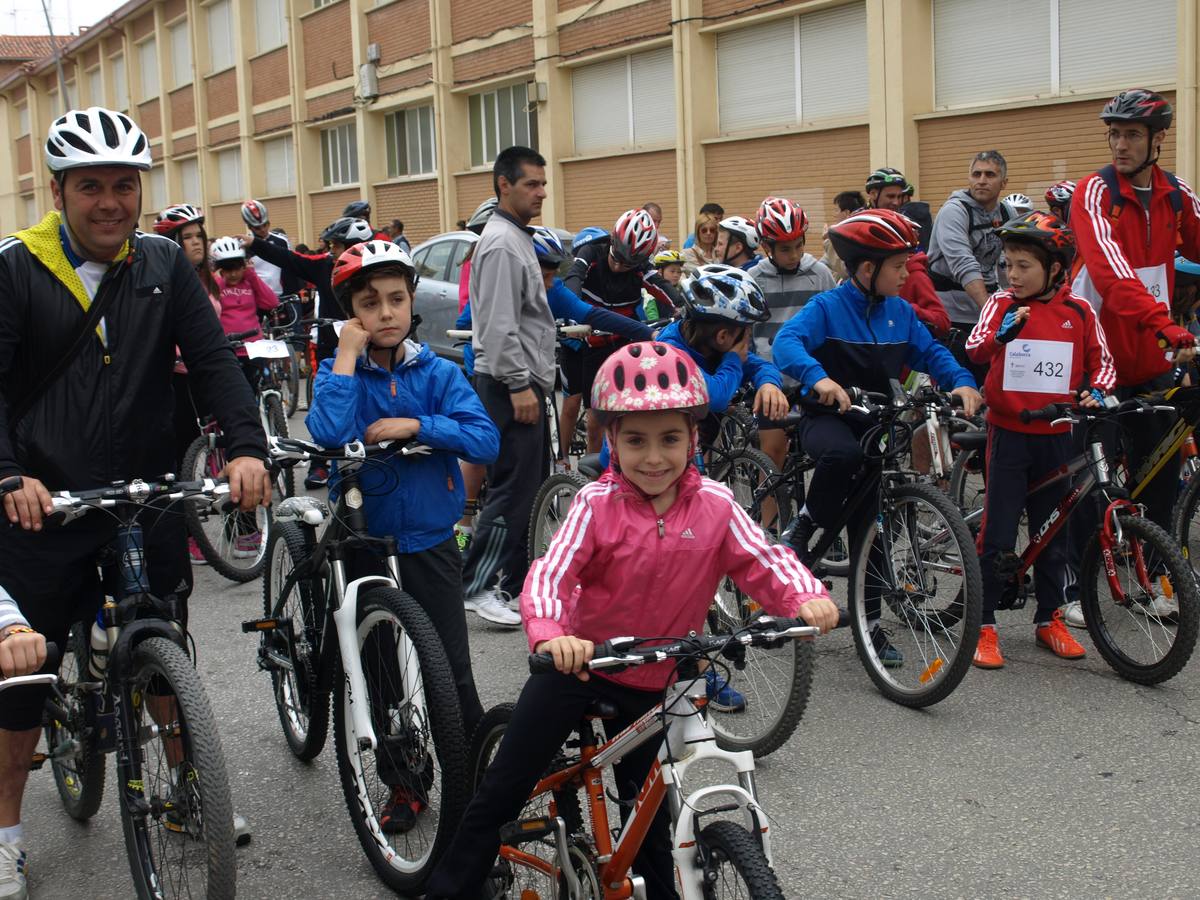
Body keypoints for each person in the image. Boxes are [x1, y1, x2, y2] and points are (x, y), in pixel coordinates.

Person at [423, 341, 838, 900]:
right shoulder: (596, 505)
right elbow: (552, 574)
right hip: (581, 666)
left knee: (653, 824)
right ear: (611, 441)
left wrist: (804, 595)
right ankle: (451, 886)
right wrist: (554, 635)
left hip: (658, 676)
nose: (654, 457)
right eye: (635, 440)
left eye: (670, 439)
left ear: (694, 438)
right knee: (503, 789)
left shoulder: (715, 505)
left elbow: (763, 557)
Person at [0, 107, 270, 898]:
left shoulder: (160, 262)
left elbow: (213, 358)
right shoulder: (16, 269)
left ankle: (190, 793)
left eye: (125, 184)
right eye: (92, 186)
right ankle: (6, 833)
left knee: (163, 642)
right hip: (44, 504)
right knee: (24, 679)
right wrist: (10, 475)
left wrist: (246, 445)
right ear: (59, 191)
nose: (111, 201)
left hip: (144, 492)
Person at [306, 240, 496, 810]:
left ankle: (475, 776)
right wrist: (343, 357)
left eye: (396, 299)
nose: (385, 313)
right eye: (369, 304)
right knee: (381, 669)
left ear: (412, 302)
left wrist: (418, 425)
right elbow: (328, 433)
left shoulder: (437, 372)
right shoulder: (340, 373)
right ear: (352, 316)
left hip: (430, 543)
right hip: (363, 542)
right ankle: (404, 782)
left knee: (451, 669)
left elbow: (485, 438)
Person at [772, 209, 981, 627]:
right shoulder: (827, 306)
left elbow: (932, 352)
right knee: (842, 456)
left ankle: (871, 630)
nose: (907, 274)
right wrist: (820, 379)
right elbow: (786, 342)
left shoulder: (900, 312)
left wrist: (961, 381)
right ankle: (805, 524)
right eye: (899, 266)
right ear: (868, 269)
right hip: (827, 419)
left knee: (874, 531)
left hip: (877, 423)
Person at [1062, 88, 1200, 627]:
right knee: (1089, 477)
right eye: (1114, 134)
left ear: (1157, 140)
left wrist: (1168, 331)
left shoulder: (1175, 193)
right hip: (1095, 356)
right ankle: (1073, 584)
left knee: (1159, 479)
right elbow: (1114, 277)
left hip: (1153, 355)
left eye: (1132, 135)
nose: (1120, 145)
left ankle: (1158, 581)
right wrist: (1170, 326)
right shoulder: (1093, 193)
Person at [965, 212, 1115, 668]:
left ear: (1054, 268)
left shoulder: (1079, 310)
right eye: (1008, 264)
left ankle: (1050, 617)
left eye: (1023, 265)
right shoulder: (1002, 304)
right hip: (1009, 434)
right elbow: (975, 348)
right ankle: (984, 624)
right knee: (999, 530)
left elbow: (1103, 364)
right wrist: (1002, 335)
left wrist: (1097, 390)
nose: (1012, 274)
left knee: (1055, 529)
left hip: (1058, 434)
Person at [454, 228, 652, 547]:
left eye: (551, 275)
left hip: (534, 378)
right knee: (483, 447)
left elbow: (589, 312)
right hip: (491, 375)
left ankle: (527, 519)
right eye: (543, 275)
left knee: (531, 459)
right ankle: (463, 526)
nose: (549, 282)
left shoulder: (553, 290)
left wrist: (642, 331)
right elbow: (465, 325)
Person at [459, 146, 556, 623]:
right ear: (503, 185)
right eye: (531, 184)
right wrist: (519, 385)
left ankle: (520, 586)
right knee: (511, 492)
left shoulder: (517, 237)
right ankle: (476, 586)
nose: (541, 192)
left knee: (531, 491)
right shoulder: (499, 243)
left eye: (542, 183)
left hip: (524, 381)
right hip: (508, 385)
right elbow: (498, 327)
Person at [242, 215, 374, 487]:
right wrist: (255, 243)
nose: (330, 251)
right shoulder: (324, 266)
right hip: (330, 349)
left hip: (370, 348)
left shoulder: (374, 270)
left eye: (336, 246)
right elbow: (289, 259)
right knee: (326, 405)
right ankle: (320, 464)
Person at [562, 208, 681, 454]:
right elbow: (573, 278)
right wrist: (572, 316)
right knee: (590, 416)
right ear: (613, 240)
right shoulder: (592, 252)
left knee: (630, 410)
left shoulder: (640, 268)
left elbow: (662, 286)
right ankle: (572, 462)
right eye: (616, 257)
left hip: (621, 343)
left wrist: (682, 307)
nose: (618, 266)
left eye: (627, 264)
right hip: (589, 341)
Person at [927, 150, 1016, 384]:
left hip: (983, 311)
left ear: (1004, 182)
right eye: (976, 174)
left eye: (990, 174)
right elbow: (963, 263)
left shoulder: (1008, 213)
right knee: (957, 386)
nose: (982, 180)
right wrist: (991, 310)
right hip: (951, 314)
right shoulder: (954, 211)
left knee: (991, 383)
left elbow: (1014, 262)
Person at [152, 204, 222, 476]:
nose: (196, 243)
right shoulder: (163, 280)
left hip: (208, 367)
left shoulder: (207, 279)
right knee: (184, 438)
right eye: (187, 237)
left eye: (199, 236)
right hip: (178, 373)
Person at [748, 196, 836, 360]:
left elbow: (834, 324)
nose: (794, 255)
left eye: (798, 246)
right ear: (767, 247)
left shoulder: (820, 274)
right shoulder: (753, 279)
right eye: (785, 250)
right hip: (768, 375)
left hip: (813, 373)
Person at [209, 237, 279, 393]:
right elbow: (209, 308)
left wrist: (252, 276)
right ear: (220, 269)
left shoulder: (249, 282)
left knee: (258, 390)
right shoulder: (216, 285)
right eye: (228, 269)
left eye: (237, 268)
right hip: (229, 349)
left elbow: (271, 303)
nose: (233, 274)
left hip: (254, 348)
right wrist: (218, 281)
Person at [240, 199, 300, 298]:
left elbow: (291, 267)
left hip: (282, 296)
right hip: (257, 297)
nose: (263, 229)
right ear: (250, 227)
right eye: (258, 228)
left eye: (265, 225)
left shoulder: (281, 240)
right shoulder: (244, 245)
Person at [821, 190, 868, 282]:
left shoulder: (859, 237)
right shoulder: (843, 236)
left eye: (837, 210)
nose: (835, 215)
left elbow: (847, 272)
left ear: (846, 213)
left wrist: (829, 241)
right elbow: (825, 263)